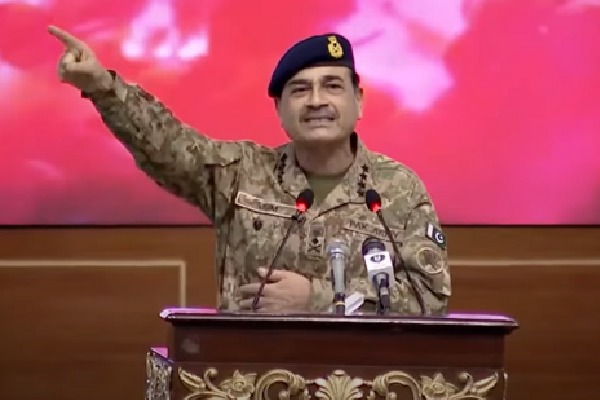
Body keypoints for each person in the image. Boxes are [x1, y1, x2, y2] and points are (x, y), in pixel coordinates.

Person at [48, 25, 451, 315]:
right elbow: (166, 144)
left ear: (358, 100)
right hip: (248, 378)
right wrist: (103, 87)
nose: (316, 101)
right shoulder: (241, 173)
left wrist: (317, 299)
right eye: (300, 90)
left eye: (332, 86)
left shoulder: (398, 189)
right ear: (279, 109)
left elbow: (429, 296)